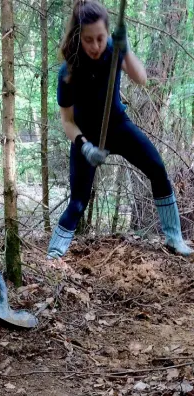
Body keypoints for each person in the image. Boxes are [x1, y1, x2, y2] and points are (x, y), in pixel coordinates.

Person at [47, 0, 192, 259]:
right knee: (78, 202)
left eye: (100, 38)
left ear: (107, 34)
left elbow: (142, 78)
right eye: (89, 39)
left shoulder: (114, 50)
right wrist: (84, 146)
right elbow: (68, 121)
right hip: (86, 138)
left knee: (158, 170)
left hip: (118, 126)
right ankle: (54, 256)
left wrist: (126, 50)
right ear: (79, 37)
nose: (95, 46)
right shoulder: (68, 72)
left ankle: (174, 238)